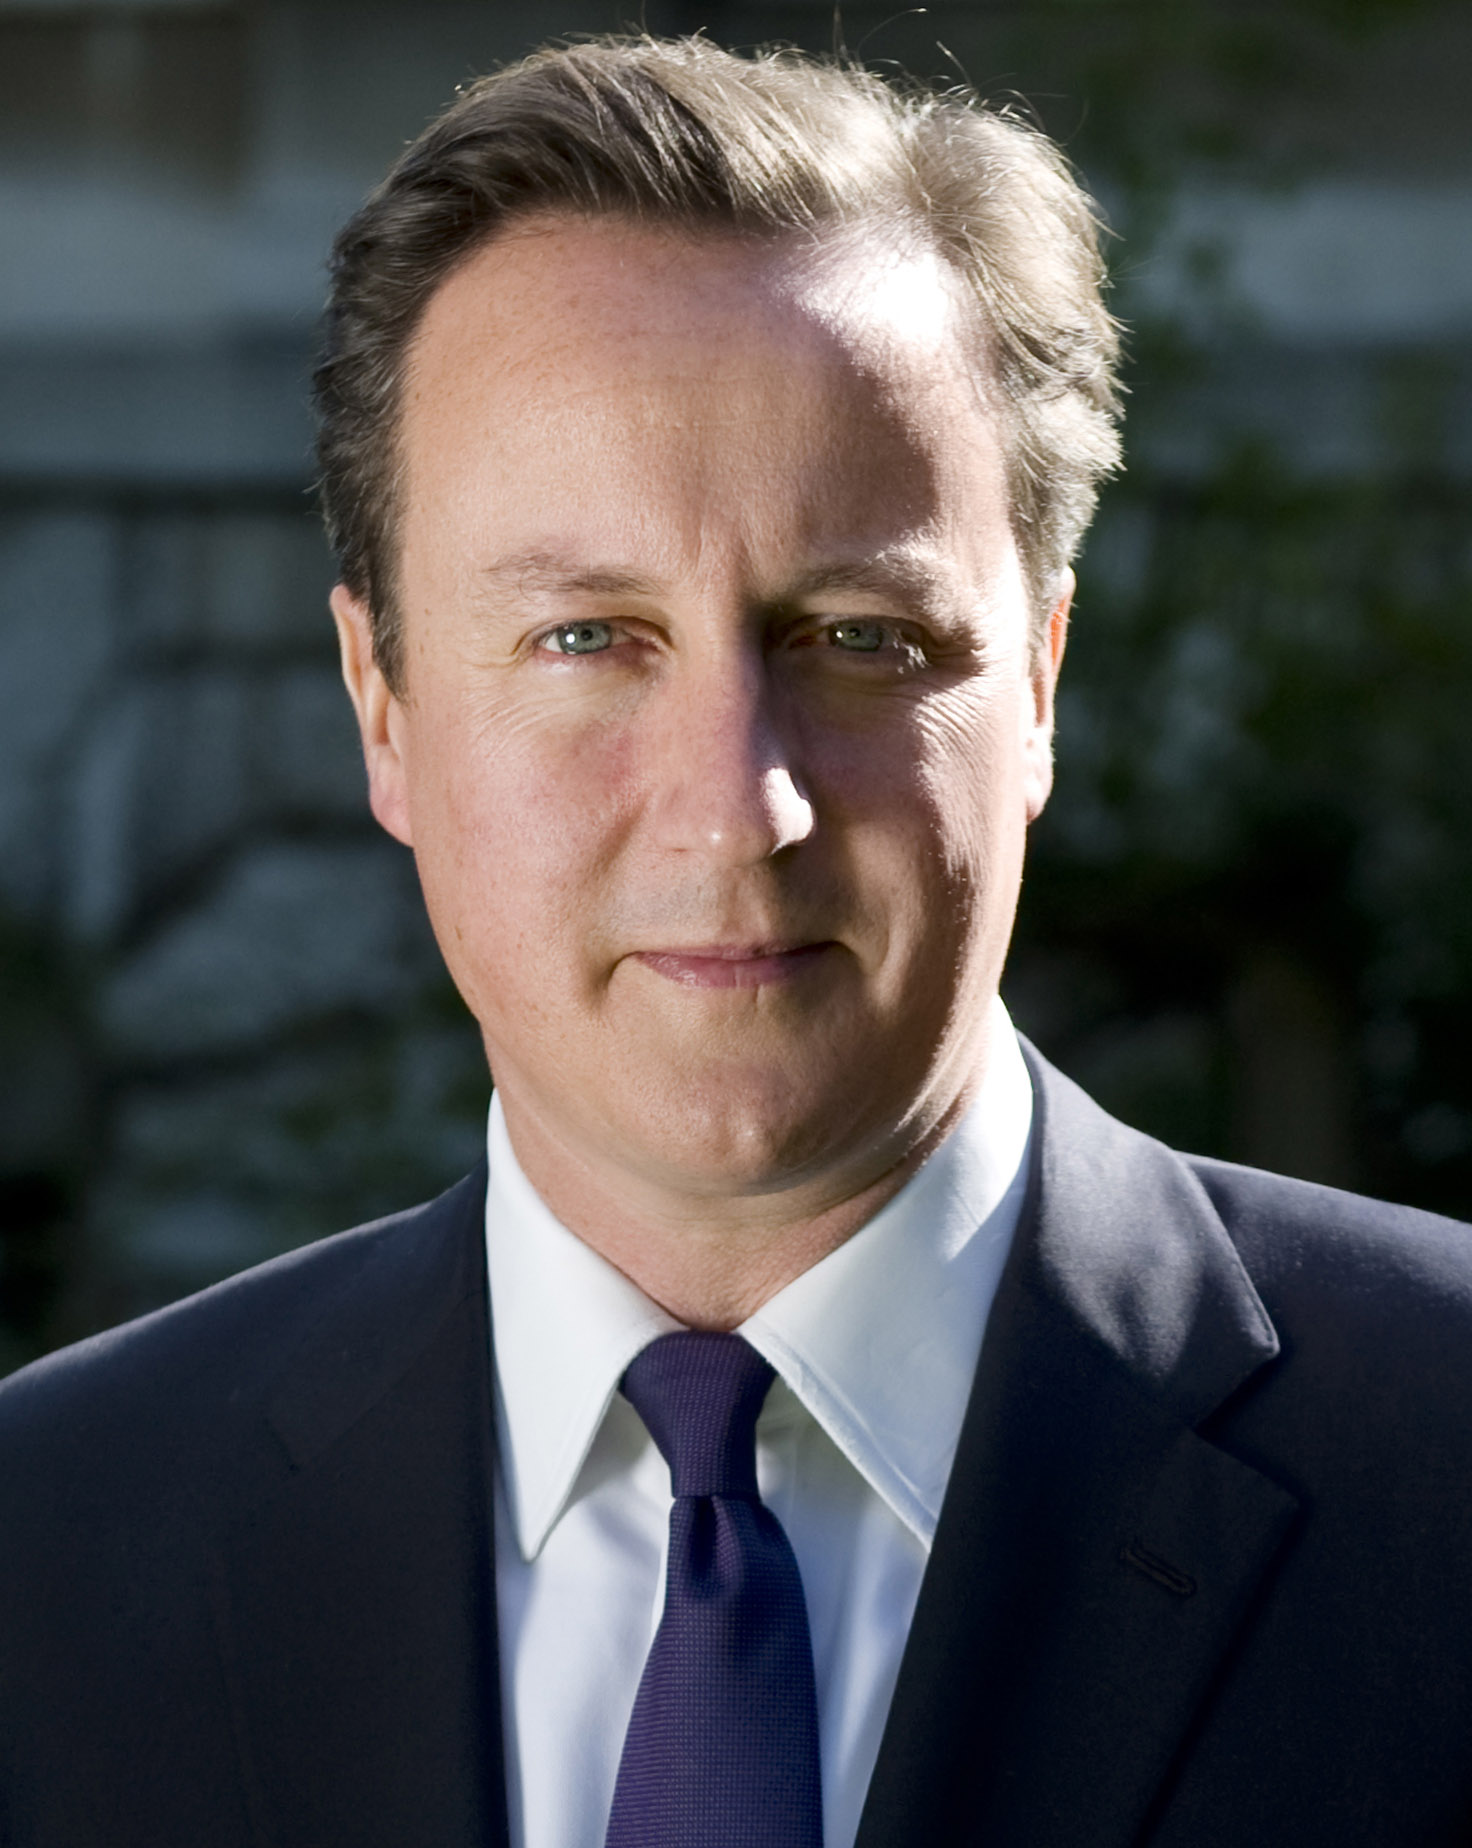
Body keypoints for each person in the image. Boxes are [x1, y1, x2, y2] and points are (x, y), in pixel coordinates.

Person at [2, 34, 1471, 1848]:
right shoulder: (45, 1552)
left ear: (1037, 685)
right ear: (380, 707)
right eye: (587, 638)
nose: (735, 805)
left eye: (857, 636)